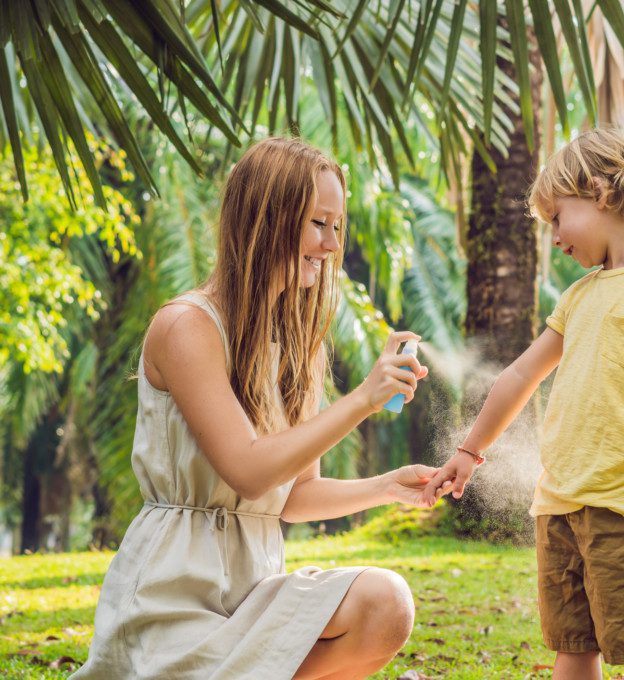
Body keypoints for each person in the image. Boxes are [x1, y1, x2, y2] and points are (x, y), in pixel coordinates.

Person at [73, 137, 449, 680]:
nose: (329, 244)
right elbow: (248, 470)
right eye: (317, 223)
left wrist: (386, 486)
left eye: (337, 226)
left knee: (386, 602)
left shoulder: (297, 344)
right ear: (264, 219)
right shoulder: (187, 327)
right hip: (171, 596)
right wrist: (363, 401)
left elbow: (291, 497)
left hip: (254, 594)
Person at [423, 127, 624, 680]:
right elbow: (519, 375)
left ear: (602, 191)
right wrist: (469, 450)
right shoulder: (579, 295)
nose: (555, 238)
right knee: (573, 644)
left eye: (558, 218)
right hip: (560, 504)